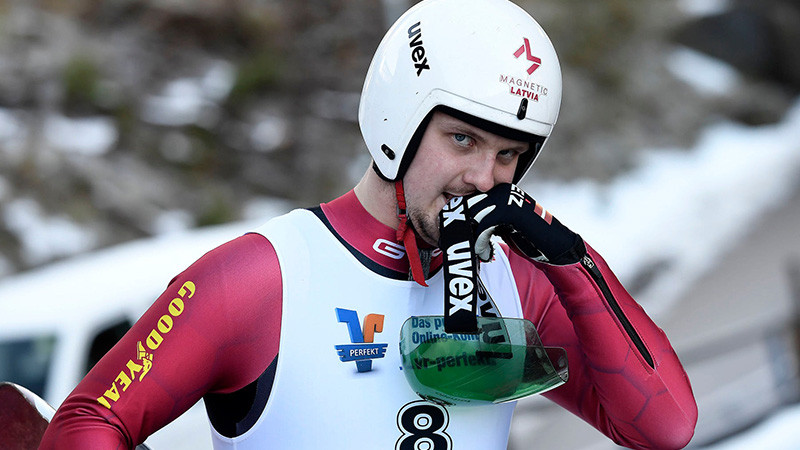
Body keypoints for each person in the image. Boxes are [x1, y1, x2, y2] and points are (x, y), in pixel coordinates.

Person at [40, 0, 698, 448]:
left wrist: (572, 262)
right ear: (397, 122)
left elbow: (664, 426)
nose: (485, 178)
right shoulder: (262, 276)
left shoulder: (519, 284)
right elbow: (87, 420)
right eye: (463, 140)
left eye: (509, 155)